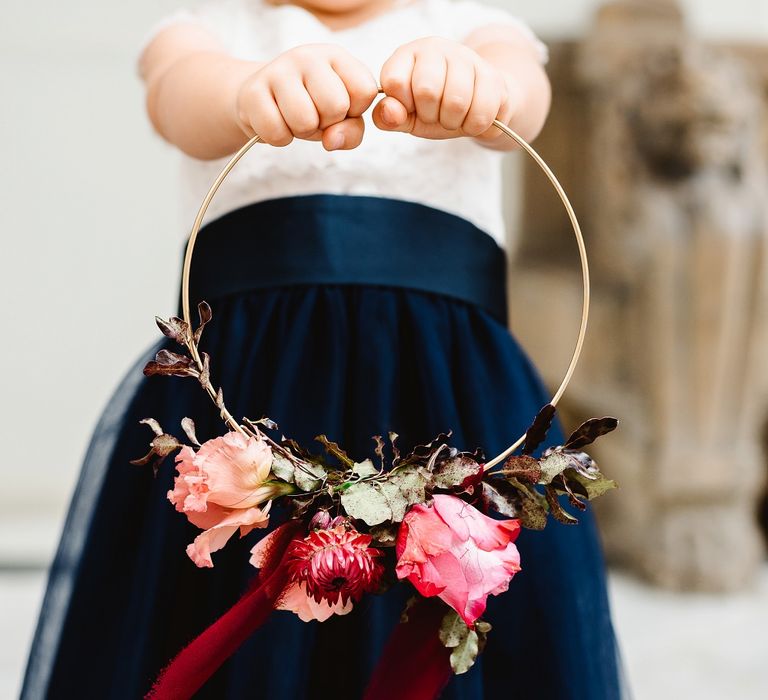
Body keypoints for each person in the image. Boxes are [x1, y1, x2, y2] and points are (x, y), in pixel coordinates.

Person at [22, 0, 626, 697]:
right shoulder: (212, 30)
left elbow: (523, 99)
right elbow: (178, 95)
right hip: (250, 387)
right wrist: (246, 94)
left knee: (453, 605)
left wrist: (481, 86)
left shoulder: (470, 25)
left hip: (443, 388)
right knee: (226, 601)